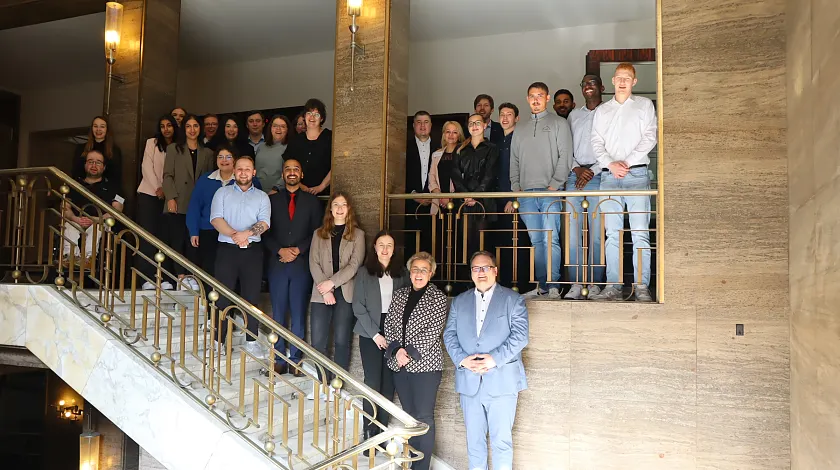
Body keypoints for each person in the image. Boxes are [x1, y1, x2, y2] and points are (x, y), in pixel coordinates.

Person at [443, 251, 529, 470]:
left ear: (495, 270)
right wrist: (462, 360)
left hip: (502, 382)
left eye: (485, 267)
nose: (480, 272)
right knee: (474, 444)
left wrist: (495, 359)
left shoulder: (513, 299)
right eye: (476, 268)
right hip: (469, 382)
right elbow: (449, 335)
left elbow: (520, 336)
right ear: (471, 273)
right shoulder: (459, 302)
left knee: (501, 443)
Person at [590, 63, 657, 302]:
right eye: (619, 77)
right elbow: (596, 142)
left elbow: (650, 137)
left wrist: (625, 163)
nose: (622, 82)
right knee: (613, 234)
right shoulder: (602, 110)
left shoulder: (644, 105)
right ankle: (613, 286)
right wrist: (611, 164)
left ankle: (641, 286)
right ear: (613, 80)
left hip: (636, 174)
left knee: (640, 233)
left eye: (627, 78)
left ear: (634, 82)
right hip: (609, 177)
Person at [383, 252, 447, 470]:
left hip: (426, 367)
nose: (419, 273)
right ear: (409, 273)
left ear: (431, 273)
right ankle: (411, 462)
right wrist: (397, 351)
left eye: (424, 270)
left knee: (424, 417)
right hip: (399, 366)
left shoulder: (437, 297)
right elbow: (389, 324)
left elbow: (433, 331)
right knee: (409, 417)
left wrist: (407, 353)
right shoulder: (400, 295)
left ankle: (422, 467)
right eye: (415, 269)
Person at [509, 81, 574, 299]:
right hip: (526, 194)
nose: (535, 100)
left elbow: (565, 156)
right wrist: (516, 187)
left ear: (547, 98)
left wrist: (555, 184)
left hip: (550, 192)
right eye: (532, 96)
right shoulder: (520, 128)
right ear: (527, 99)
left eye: (540, 96)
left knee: (550, 239)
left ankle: (554, 285)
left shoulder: (559, 123)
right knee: (536, 241)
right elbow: (514, 160)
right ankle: (542, 285)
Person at [264, 159, 322, 376]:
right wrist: (279, 250)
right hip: (277, 263)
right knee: (278, 313)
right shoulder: (270, 201)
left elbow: (318, 232)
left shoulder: (312, 202)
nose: (291, 172)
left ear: (302, 174)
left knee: (298, 313)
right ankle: (279, 358)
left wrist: (298, 249)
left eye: (296, 169)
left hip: (301, 264)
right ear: (282, 174)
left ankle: (296, 360)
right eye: (287, 169)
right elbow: (264, 231)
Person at [210, 155, 271, 356]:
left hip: (252, 252)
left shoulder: (262, 197)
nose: (243, 172)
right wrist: (236, 235)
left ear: (254, 172)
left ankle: (251, 341)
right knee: (222, 296)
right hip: (226, 250)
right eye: (240, 169)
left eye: (247, 169)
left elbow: (264, 223)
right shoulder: (222, 192)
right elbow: (216, 219)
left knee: (251, 297)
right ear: (234, 171)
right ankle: (218, 341)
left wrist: (246, 234)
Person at [351, 230, 409, 443]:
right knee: (372, 380)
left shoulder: (402, 273)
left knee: (388, 383)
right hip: (370, 331)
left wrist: (394, 336)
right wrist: (375, 334)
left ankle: (383, 432)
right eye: (381, 245)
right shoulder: (364, 272)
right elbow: (358, 306)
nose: (385, 249)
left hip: (394, 331)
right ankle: (369, 432)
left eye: (389, 245)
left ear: (394, 249)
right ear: (374, 247)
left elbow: (406, 305)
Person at [309, 191, 365, 385]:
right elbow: (313, 262)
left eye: (343, 205)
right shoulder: (318, 234)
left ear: (349, 209)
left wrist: (331, 284)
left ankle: (337, 384)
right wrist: (325, 289)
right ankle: (323, 383)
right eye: (336, 205)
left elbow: (354, 265)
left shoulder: (358, 235)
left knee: (342, 341)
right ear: (330, 209)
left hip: (345, 293)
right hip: (320, 293)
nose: (340, 208)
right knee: (318, 342)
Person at [186, 144, 262, 279]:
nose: (224, 160)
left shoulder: (248, 179)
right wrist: (193, 231)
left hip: (238, 234)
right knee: (209, 268)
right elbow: (194, 207)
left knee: (233, 272)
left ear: (235, 160)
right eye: (220, 157)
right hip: (208, 230)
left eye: (228, 157)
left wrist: (243, 234)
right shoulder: (205, 180)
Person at [565, 75, 607, 300]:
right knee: (573, 234)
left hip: (600, 176)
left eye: (592, 83)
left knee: (597, 234)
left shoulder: (610, 112)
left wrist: (593, 170)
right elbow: (566, 147)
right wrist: (576, 168)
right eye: (584, 84)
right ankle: (575, 283)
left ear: (602, 87)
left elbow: (614, 147)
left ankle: (594, 284)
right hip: (575, 176)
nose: (588, 87)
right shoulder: (574, 115)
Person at [162, 114, 214, 289]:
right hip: (178, 200)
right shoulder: (174, 149)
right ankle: (180, 276)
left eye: (196, 126)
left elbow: (208, 180)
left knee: (194, 241)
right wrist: (170, 197)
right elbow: (167, 175)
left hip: (197, 203)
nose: (192, 130)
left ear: (200, 129)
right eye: (188, 126)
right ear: (183, 129)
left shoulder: (208, 153)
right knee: (177, 240)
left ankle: (192, 277)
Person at [62, 149, 125, 267]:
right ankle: (70, 258)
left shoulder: (114, 187)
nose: (94, 165)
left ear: (104, 167)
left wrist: (96, 219)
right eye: (90, 162)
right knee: (69, 225)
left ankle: (88, 260)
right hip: (77, 220)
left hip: (99, 222)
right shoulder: (74, 184)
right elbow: (65, 207)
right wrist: (75, 219)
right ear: (85, 164)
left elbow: (117, 210)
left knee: (97, 228)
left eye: (98, 162)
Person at [136, 114, 177, 290]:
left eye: (169, 125)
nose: (166, 129)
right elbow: (146, 167)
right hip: (149, 194)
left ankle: (165, 277)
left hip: (170, 197)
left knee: (165, 237)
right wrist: (158, 188)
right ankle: (146, 278)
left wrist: (168, 192)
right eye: (162, 126)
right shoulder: (151, 143)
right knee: (148, 236)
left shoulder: (178, 146)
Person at [494, 103, 530, 290]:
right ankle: (506, 283)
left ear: (517, 118)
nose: (505, 118)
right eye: (502, 114)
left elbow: (525, 170)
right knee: (504, 243)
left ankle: (521, 284)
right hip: (499, 201)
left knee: (519, 242)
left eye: (509, 114)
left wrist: (514, 198)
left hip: (515, 200)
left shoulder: (521, 139)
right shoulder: (498, 141)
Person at [452, 113, 499, 253]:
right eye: (471, 123)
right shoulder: (460, 149)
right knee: (465, 242)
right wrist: (466, 195)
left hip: (484, 201)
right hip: (464, 202)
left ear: (484, 125)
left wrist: (475, 195)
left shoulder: (492, 148)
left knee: (482, 242)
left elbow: (490, 175)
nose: (474, 126)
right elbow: (455, 175)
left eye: (477, 123)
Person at [428, 121, 464, 261]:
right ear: (443, 134)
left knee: (457, 238)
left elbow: (463, 179)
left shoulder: (463, 153)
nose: (451, 135)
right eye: (448, 132)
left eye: (455, 132)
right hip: (439, 203)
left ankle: (456, 270)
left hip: (457, 204)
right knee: (439, 238)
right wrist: (440, 195)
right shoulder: (436, 154)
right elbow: (431, 177)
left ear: (459, 135)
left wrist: (450, 197)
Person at [405, 111, 438, 257]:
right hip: (410, 205)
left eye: (426, 122)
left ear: (431, 125)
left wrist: (434, 195)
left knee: (433, 243)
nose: (422, 126)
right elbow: (397, 175)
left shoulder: (440, 147)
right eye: (419, 122)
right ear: (413, 125)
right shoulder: (403, 146)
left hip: (434, 205)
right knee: (411, 244)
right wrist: (413, 195)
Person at [284, 99, 332, 196]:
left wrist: (321, 187)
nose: (312, 117)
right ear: (304, 116)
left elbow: (336, 166)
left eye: (316, 114)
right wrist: (300, 185)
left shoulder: (330, 137)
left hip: (325, 194)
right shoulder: (296, 140)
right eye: (309, 113)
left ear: (322, 118)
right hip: (299, 193)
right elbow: (287, 165)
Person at [73, 116, 123, 186]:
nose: (98, 129)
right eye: (95, 126)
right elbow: (75, 172)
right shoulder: (81, 148)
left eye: (102, 127)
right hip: (83, 187)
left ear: (107, 129)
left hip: (106, 189)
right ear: (92, 129)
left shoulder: (115, 150)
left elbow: (116, 176)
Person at [255, 115, 291, 191]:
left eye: (282, 126)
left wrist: (276, 189)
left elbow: (289, 172)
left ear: (287, 130)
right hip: (257, 191)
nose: (278, 129)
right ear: (270, 128)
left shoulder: (290, 148)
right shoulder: (261, 147)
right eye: (275, 126)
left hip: (278, 192)